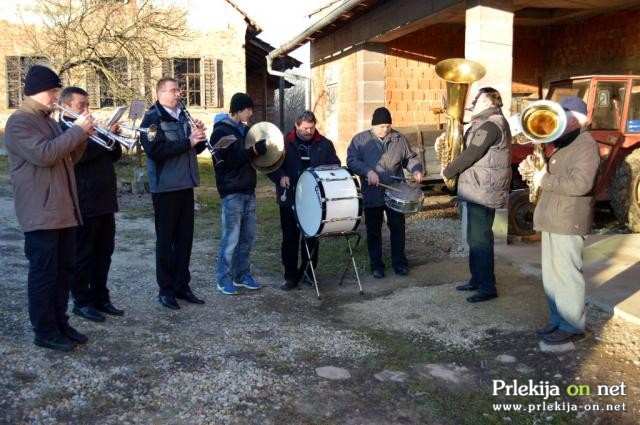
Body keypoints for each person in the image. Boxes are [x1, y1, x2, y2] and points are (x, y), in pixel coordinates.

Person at [5, 65, 95, 351]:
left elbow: (68, 156)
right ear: (35, 92)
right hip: (40, 213)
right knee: (44, 274)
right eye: (52, 91)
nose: (56, 96)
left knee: (64, 270)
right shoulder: (19, 122)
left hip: (62, 209)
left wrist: (84, 134)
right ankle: (44, 330)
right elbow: (45, 155)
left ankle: (59, 321)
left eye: (57, 90)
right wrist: (75, 131)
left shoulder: (49, 120)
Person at [518, 96, 599, 344]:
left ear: (580, 118)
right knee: (552, 276)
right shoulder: (564, 144)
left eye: (566, 114)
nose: (560, 119)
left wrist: (545, 179)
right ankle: (557, 319)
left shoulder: (585, 145)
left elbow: (581, 184)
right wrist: (532, 169)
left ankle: (572, 325)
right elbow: (553, 176)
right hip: (554, 218)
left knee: (566, 275)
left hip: (568, 219)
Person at [58, 86, 125, 322]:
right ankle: (81, 301)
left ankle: (100, 297)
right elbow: (81, 155)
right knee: (83, 254)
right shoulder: (64, 129)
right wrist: (104, 134)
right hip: (84, 201)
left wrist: (113, 136)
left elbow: (113, 155)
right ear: (65, 107)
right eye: (81, 106)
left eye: (87, 105)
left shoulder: (89, 128)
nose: (86, 110)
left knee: (104, 252)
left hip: (105, 199)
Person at [139, 77, 207, 310]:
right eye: (174, 90)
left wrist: (199, 138)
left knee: (185, 240)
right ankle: (166, 290)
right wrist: (187, 142)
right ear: (160, 94)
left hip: (185, 185)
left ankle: (182, 285)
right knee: (166, 241)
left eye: (179, 89)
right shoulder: (152, 118)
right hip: (165, 187)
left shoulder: (183, 115)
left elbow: (193, 149)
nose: (179, 93)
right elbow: (154, 150)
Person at [439, 87, 511, 303]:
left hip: (483, 191)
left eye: (477, 99)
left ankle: (487, 286)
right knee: (474, 237)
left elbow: (472, 153)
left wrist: (448, 170)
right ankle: (477, 279)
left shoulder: (491, 125)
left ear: (489, 101)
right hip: (477, 189)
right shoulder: (484, 124)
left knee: (481, 240)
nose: (472, 102)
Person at [267, 110, 341, 290]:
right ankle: (290, 276)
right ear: (296, 125)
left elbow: (335, 165)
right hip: (289, 196)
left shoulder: (324, 144)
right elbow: (270, 164)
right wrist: (280, 177)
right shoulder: (283, 143)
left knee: (311, 237)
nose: (308, 132)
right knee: (290, 237)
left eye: (312, 128)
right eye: (305, 128)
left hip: (314, 199)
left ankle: (308, 272)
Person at [346, 107, 423, 279]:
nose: (385, 129)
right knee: (374, 230)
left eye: (388, 125)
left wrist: (416, 169)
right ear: (373, 125)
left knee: (398, 228)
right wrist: (367, 172)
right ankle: (376, 266)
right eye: (381, 126)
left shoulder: (398, 138)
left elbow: (410, 158)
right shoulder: (360, 140)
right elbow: (351, 161)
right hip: (372, 192)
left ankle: (400, 263)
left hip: (396, 191)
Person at [210, 93, 267, 295]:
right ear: (239, 109)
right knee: (230, 239)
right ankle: (223, 279)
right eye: (248, 109)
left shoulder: (245, 130)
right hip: (232, 191)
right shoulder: (221, 131)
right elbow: (223, 161)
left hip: (248, 189)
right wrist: (253, 152)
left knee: (247, 237)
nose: (251, 113)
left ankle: (241, 275)